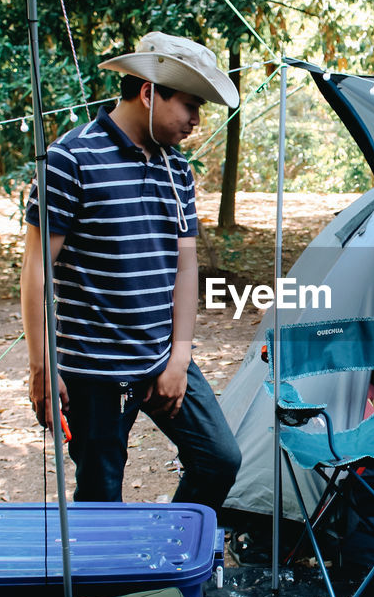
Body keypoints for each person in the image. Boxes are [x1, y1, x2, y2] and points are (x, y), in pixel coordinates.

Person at [20, 31, 242, 515]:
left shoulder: (177, 169)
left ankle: (165, 560)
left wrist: (179, 357)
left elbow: (186, 267)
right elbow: (36, 269)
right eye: (188, 105)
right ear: (148, 93)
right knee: (101, 496)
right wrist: (42, 364)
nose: (195, 120)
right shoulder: (69, 159)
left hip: (160, 358)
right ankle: (111, 589)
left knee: (219, 460)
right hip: (92, 371)